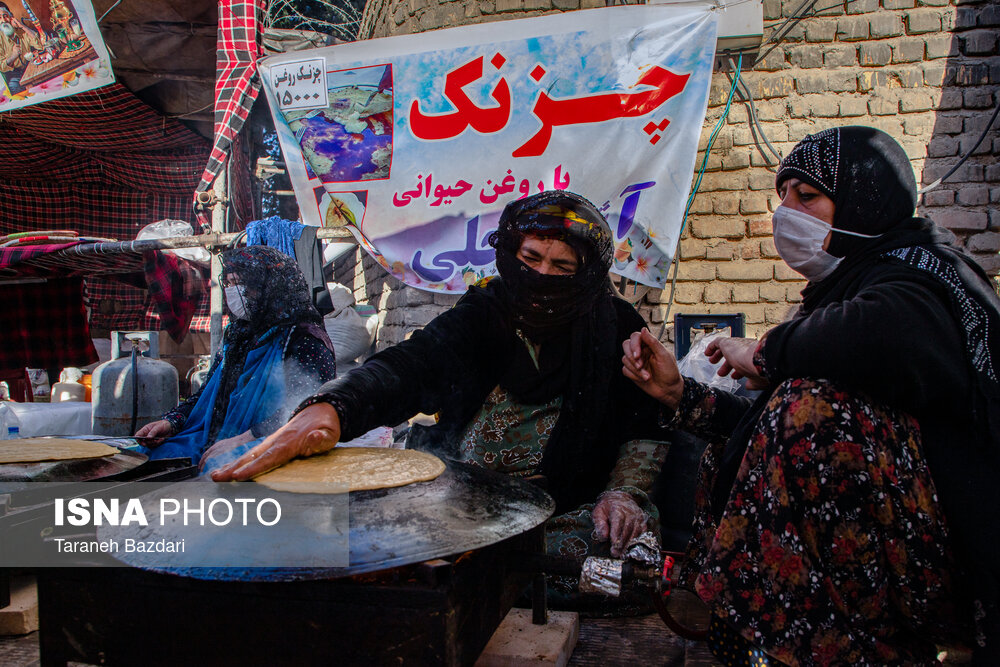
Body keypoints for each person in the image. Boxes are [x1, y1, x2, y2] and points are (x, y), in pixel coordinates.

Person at [623, 126, 1000, 664]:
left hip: (938, 562)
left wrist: (764, 350)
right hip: (856, 568)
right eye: (783, 198)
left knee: (812, 407)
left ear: (862, 200)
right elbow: (767, 434)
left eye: (808, 196)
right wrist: (679, 393)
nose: (787, 214)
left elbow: (876, 337)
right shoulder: (841, 292)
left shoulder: (925, 276)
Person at [213, 190, 668, 586]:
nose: (542, 275)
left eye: (562, 265)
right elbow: (414, 364)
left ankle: (483, 576)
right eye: (530, 258)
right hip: (466, 501)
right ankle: (492, 576)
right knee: (367, 538)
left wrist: (623, 494)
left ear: (586, 274)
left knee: (631, 569)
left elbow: (644, 425)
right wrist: (334, 407)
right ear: (510, 254)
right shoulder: (484, 313)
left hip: (569, 505)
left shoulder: (616, 329)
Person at [136, 245, 337, 470]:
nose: (234, 292)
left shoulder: (304, 338)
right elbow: (208, 394)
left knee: (220, 466)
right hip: (216, 436)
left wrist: (245, 438)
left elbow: (312, 407)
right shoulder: (237, 335)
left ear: (269, 286)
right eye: (229, 284)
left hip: (273, 438)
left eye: (241, 284)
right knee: (145, 455)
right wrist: (171, 422)